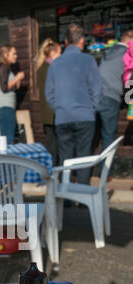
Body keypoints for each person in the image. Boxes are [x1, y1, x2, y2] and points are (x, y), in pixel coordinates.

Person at [45, 24, 102, 185]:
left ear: (65, 42)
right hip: (84, 115)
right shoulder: (88, 60)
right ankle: (82, 196)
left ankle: (67, 197)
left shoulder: (55, 64)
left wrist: (60, 109)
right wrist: (91, 108)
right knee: (84, 157)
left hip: (63, 117)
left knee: (66, 158)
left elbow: (49, 94)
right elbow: (97, 89)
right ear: (82, 41)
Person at [98, 30, 133, 151]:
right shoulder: (127, 53)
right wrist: (129, 101)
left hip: (96, 96)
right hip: (111, 96)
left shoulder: (108, 51)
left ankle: (87, 168)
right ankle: (107, 168)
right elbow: (129, 77)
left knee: (96, 136)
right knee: (108, 137)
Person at [35, 38, 61, 165]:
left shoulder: (41, 68)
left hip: (47, 112)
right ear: (53, 53)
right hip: (54, 111)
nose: (61, 55)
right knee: (56, 144)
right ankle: (56, 171)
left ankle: (53, 170)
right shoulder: (52, 68)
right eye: (59, 53)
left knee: (51, 143)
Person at [0, 45, 25, 145]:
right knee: (8, 140)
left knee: (5, 139)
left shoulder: (4, 67)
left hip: (5, 107)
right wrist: (17, 78)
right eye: (13, 53)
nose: (16, 56)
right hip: (4, 107)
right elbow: (4, 87)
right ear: (6, 55)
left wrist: (16, 82)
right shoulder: (3, 66)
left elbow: (9, 86)